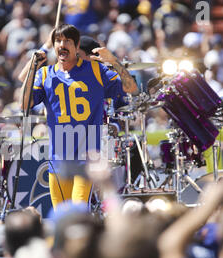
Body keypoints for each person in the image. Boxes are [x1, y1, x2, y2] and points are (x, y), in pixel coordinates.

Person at [19, 24, 138, 210]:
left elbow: (131, 88)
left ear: (77, 46)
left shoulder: (96, 70)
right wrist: (33, 68)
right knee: (62, 215)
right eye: (58, 41)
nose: (62, 45)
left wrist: (113, 61)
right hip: (58, 156)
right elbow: (24, 105)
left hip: (87, 155)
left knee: (78, 213)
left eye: (67, 41)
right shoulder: (44, 74)